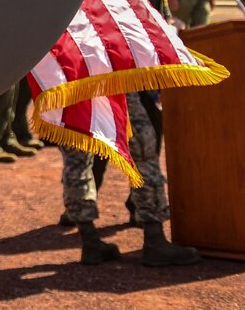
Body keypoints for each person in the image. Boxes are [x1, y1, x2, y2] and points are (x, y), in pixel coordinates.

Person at [60, 92, 200, 266]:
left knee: (76, 163)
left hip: (69, 83)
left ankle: (89, 240)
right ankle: (154, 238)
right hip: (114, 81)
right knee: (143, 154)